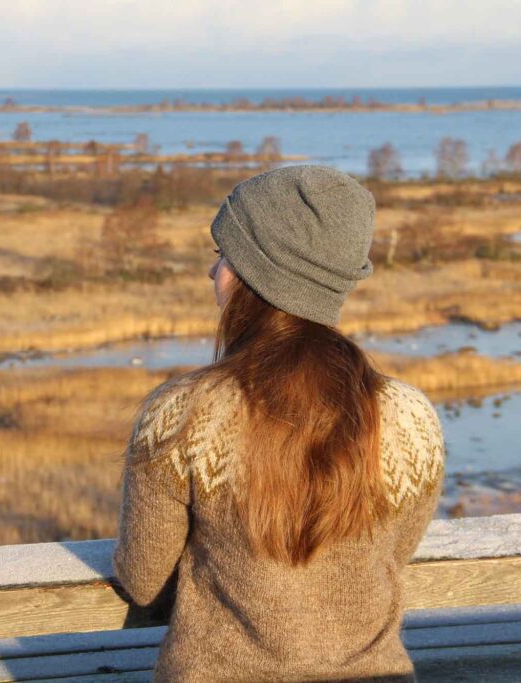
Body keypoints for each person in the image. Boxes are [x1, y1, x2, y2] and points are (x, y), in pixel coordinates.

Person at [113, 165, 446, 682]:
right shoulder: (409, 416)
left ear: (260, 273)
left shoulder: (182, 414)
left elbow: (143, 581)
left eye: (223, 255)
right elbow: (393, 554)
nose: (212, 272)